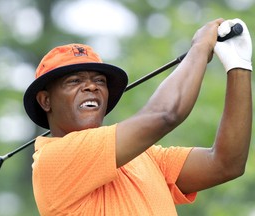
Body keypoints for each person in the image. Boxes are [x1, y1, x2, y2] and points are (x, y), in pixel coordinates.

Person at [23, 18, 252, 215]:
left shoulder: (144, 156)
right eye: (74, 81)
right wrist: (200, 47)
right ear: (46, 101)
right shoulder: (53, 160)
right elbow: (165, 114)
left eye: (99, 81)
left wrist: (238, 66)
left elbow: (226, 163)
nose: (91, 87)